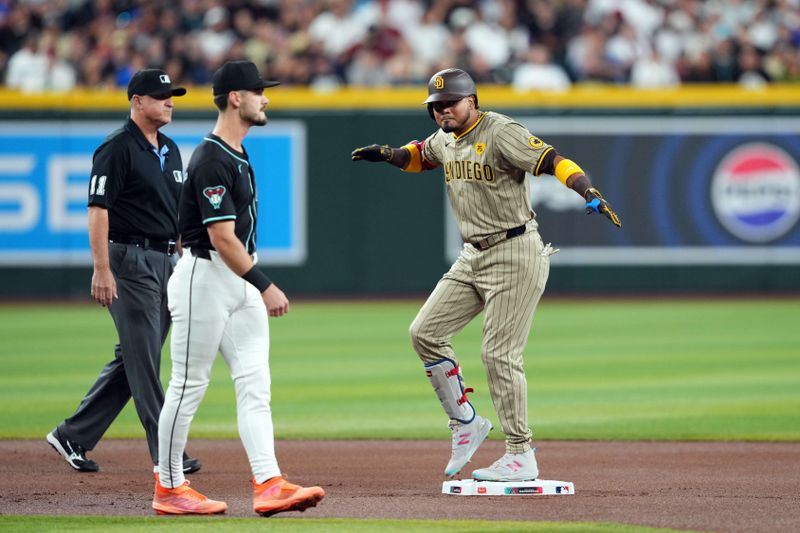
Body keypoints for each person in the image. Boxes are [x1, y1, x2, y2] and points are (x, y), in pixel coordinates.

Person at [351, 68, 621, 482]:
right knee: (424, 332)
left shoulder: (500, 131)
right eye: (436, 107)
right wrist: (389, 154)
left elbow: (552, 160)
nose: (443, 112)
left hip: (515, 252)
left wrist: (587, 190)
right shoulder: (445, 137)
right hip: (472, 256)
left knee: (499, 354)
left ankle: (520, 452)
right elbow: (421, 155)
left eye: (451, 104)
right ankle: (466, 422)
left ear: (471, 101)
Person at [152, 60, 325, 516]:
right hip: (205, 279)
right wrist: (264, 285)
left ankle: (269, 483)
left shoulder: (237, 152)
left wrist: (253, 283)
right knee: (189, 384)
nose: (265, 98)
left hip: (238, 280)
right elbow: (221, 237)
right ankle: (168, 486)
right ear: (235, 98)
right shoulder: (210, 157)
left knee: (255, 384)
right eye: (258, 91)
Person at [46, 69, 201, 476]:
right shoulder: (116, 148)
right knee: (145, 359)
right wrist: (102, 268)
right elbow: (98, 210)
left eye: (172, 96)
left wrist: (185, 259)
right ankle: (167, 450)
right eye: (160, 96)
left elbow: (175, 212)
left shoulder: (170, 149)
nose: (169, 102)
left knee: (134, 357)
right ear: (136, 101)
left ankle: (72, 435)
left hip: (167, 260)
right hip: (128, 259)